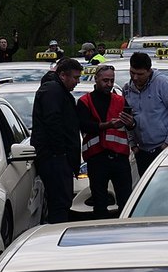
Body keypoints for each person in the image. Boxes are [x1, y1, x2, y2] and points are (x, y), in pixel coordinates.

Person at [76, 64, 135, 218]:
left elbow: (132, 125)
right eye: (105, 80)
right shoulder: (85, 101)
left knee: (126, 201)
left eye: (111, 80)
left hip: (119, 158)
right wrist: (108, 125)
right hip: (97, 158)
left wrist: (131, 123)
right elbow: (84, 125)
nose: (109, 84)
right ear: (96, 79)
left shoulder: (121, 100)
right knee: (99, 203)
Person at [31, 58, 83, 223]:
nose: (77, 82)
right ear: (62, 75)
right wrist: (61, 154)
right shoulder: (53, 91)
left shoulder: (58, 91)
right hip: (55, 159)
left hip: (58, 158)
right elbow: (53, 123)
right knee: (60, 204)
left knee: (61, 203)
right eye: (75, 77)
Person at [123, 52, 168, 176]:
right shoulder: (127, 89)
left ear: (149, 71)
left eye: (140, 74)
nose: (135, 78)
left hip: (162, 148)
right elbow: (127, 118)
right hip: (141, 151)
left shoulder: (163, 84)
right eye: (132, 73)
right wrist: (133, 145)